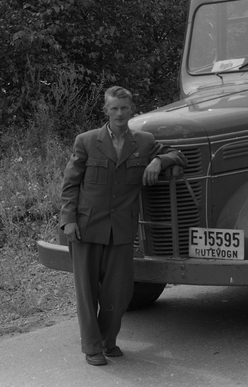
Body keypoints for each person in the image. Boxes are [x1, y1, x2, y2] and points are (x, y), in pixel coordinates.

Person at [59, 85, 186, 365]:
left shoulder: (143, 141)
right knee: (87, 291)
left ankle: (108, 341)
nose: (119, 113)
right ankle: (92, 348)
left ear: (131, 110)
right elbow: (70, 184)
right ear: (106, 110)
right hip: (86, 227)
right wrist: (67, 220)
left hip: (121, 229)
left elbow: (179, 155)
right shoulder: (86, 141)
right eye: (113, 108)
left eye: (124, 108)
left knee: (119, 291)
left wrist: (158, 160)